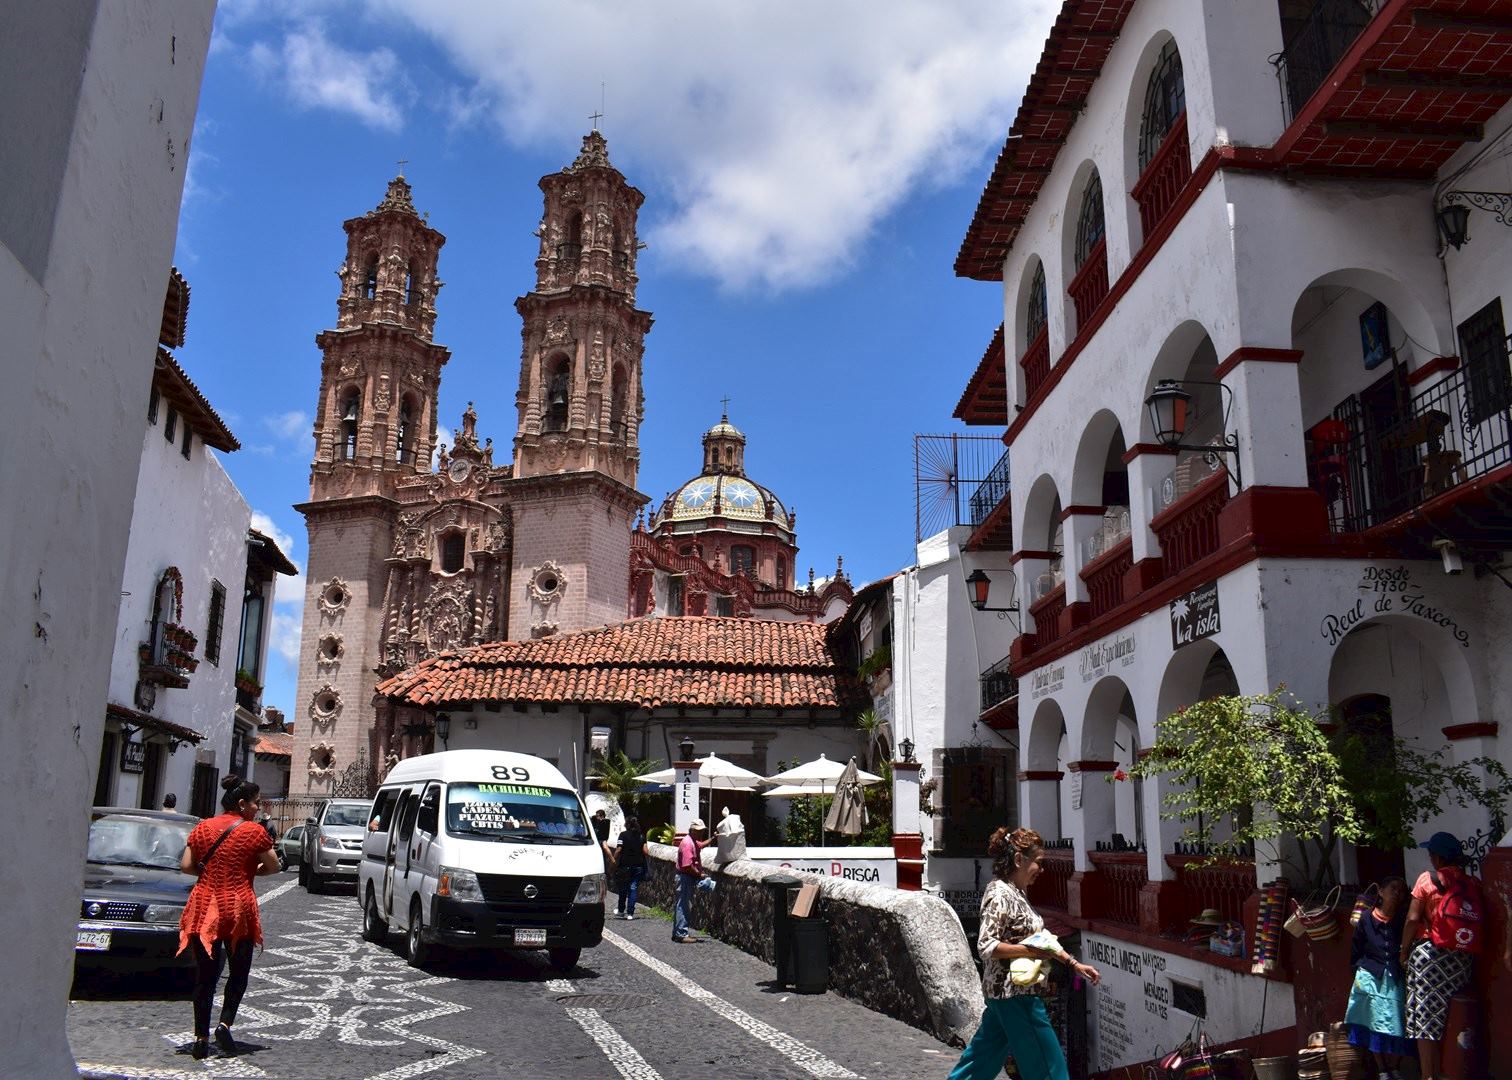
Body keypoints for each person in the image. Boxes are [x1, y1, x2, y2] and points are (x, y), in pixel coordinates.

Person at [950, 827, 1100, 1080]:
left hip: (1006, 994)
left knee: (980, 1062)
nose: (1041, 870)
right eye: (1038, 863)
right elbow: (986, 945)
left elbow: (1041, 941)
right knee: (1049, 1068)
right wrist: (1030, 951)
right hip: (1016, 994)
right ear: (1019, 860)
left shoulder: (1016, 894)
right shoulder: (999, 894)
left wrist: (1073, 963)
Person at [177, 775, 280, 1060]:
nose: (259, 808)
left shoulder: (202, 828)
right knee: (238, 971)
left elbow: (186, 865)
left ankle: (199, 1038)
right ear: (242, 803)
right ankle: (224, 1025)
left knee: (205, 976)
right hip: (238, 908)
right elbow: (273, 866)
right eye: (256, 803)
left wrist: (211, 875)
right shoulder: (254, 832)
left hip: (204, 906)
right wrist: (248, 872)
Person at [1400, 832, 1481, 1080]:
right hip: (1461, 958)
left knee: (1425, 1018)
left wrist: (1403, 951)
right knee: (1452, 1014)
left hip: (1430, 957)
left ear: (1437, 857)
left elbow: (1413, 919)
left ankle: (1428, 1075)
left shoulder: (1427, 880)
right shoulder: (1472, 884)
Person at [1345, 877, 1412, 1079]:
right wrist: (1359, 971)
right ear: (1381, 892)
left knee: (1399, 1020)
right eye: (1393, 889)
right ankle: (1382, 1069)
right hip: (1370, 975)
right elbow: (1356, 949)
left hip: (1395, 975)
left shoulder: (1402, 920)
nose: (1397, 894)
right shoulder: (1366, 918)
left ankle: (1395, 1066)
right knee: (1372, 1021)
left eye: (1401, 890)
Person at [673, 818, 711, 943]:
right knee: (684, 906)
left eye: (702, 831)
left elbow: (701, 845)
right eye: (699, 831)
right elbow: (687, 865)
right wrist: (699, 875)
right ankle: (682, 934)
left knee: (681, 904)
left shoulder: (692, 841)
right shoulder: (688, 844)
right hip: (685, 877)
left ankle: (677, 933)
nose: (701, 833)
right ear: (692, 830)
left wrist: (714, 838)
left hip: (685, 877)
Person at [613, 815, 648, 920]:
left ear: (627, 824)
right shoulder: (641, 836)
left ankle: (620, 910)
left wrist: (613, 861)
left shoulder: (623, 835)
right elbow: (646, 851)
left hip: (625, 865)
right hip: (638, 866)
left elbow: (619, 849)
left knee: (623, 888)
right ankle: (630, 913)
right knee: (633, 888)